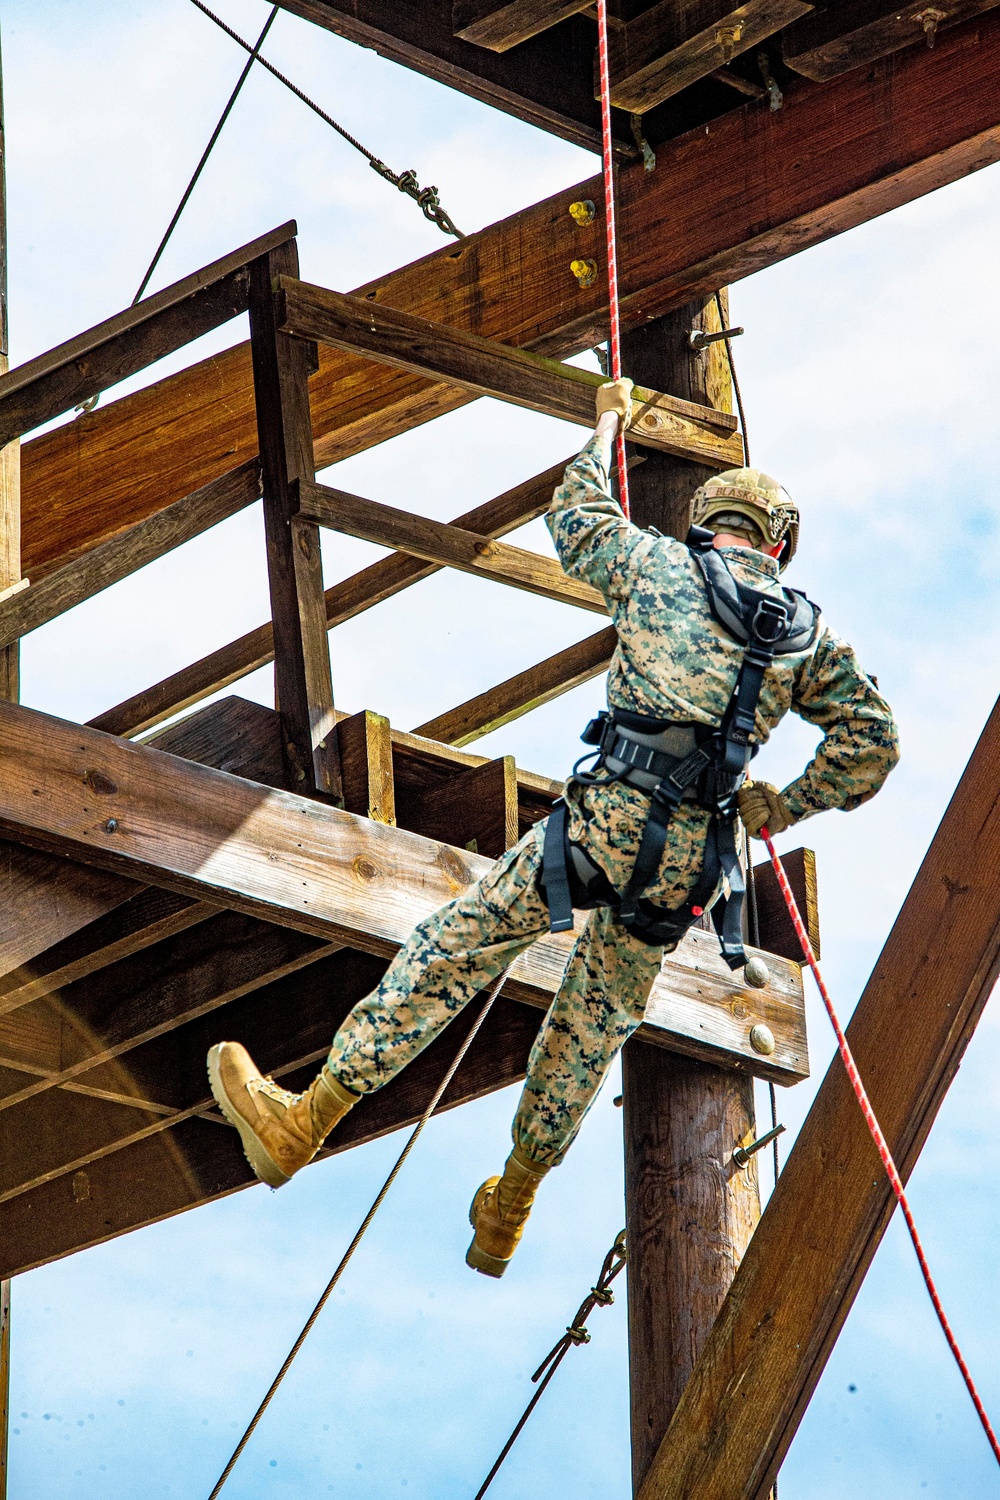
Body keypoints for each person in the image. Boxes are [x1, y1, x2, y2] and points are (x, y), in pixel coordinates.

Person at [207, 378, 900, 1278]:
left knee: (461, 941)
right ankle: (510, 1208)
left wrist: (607, 420)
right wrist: (782, 803)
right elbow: (872, 742)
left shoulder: (659, 566)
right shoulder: (806, 638)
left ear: (707, 520)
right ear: (779, 543)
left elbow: (573, 512)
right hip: (687, 866)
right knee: (594, 1019)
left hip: (607, 819)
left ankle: (305, 1122)